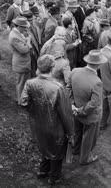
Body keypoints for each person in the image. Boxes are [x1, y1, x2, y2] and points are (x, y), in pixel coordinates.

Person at [21, 55, 74, 186]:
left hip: (38, 125)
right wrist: (71, 133)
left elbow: (23, 102)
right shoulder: (58, 88)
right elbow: (66, 114)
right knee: (57, 153)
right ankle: (54, 178)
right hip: (55, 128)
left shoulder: (30, 83)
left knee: (44, 147)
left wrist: (35, 111)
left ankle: (42, 171)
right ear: (52, 67)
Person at [67, 50, 107, 165]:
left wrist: (73, 105)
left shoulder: (75, 71)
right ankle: (85, 158)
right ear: (98, 64)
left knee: (77, 131)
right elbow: (94, 103)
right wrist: (80, 111)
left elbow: (68, 88)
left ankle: (75, 150)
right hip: (89, 116)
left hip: (75, 110)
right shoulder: (97, 82)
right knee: (89, 137)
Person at [8, 16, 32, 105]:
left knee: (24, 82)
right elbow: (24, 50)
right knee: (21, 83)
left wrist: (26, 40)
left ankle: (23, 99)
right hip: (21, 63)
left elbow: (22, 43)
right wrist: (29, 41)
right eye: (24, 27)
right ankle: (21, 101)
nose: (26, 29)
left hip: (23, 62)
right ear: (19, 26)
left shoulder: (17, 33)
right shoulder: (14, 36)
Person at [22, 11, 40, 77]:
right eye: (29, 21)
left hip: (36, 51)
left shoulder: (33, 25)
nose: (31, 22)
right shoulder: (23, 30)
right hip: (30, 53)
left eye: (32, 20)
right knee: (32, 69)